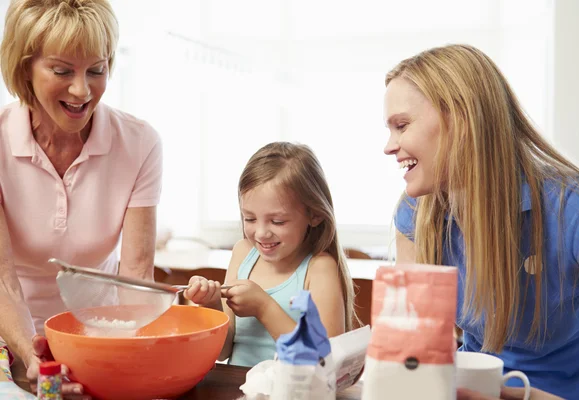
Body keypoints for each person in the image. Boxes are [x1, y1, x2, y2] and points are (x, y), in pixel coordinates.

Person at [384, 44, 579, 399]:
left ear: (461, 119)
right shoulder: (416, 215)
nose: (389, 146)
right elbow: (418, 355)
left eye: (402, 125)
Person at [0, 0, 162, 395]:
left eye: (96, 70)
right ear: (25, 68)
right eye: (61, 70)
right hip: (8, 335)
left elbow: (136, 274)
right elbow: (3, 280)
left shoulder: (139, 143)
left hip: (98, 332)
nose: (81, 90)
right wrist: (31, 354)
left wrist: (124, 355)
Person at [185, 142, 355, 367]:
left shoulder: (319, 268)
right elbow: (223, 351)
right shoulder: (243, 252)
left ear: (314, 216)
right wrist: (211, 304)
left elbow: (326, 362)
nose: (262, 233)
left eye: (277, 221)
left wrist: (264, 308)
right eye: (250, 219)